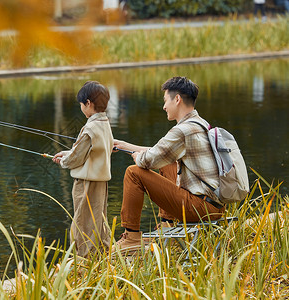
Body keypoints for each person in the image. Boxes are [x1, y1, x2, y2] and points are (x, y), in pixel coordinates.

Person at [113, 76, 225, 252]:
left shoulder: (182, 130)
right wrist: (125, 146)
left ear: (177, 99)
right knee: (168, 162)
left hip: (199, 208)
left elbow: (148, 159)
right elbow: (162, 153)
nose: (164, 106)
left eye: (166, 100)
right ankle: (167, 226)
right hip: (215, 206)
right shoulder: (200, 124)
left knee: (133, 172)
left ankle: (132, 237)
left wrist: (137, 157)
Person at [53, 81, 114, 257]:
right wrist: (68, 153)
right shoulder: (104, 123)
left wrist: (64, 161)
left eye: (81, 104)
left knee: (82, 221)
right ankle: (103, 254)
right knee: (98, 219)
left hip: (86, 183)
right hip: (101, 182)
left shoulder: (90, 128)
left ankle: (84, 259)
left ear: (88, 103)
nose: (81, 108)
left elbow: (76, 157)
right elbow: (90, 151)